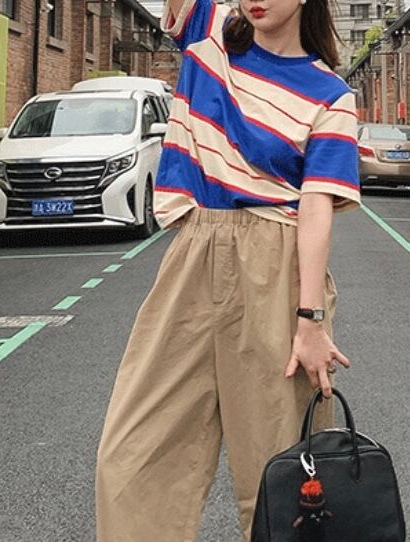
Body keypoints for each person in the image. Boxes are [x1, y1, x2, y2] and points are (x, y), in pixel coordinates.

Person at [95, 0, 360, 540]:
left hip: (278, 270)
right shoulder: (208, 30)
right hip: (193, 252)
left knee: (279, 470)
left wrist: (310, 320)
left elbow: (315, 208)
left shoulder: (331, 94)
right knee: (130, 456)